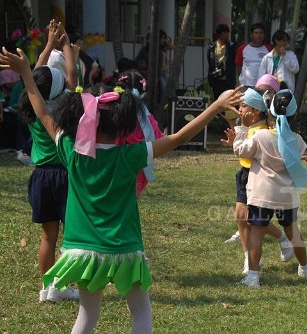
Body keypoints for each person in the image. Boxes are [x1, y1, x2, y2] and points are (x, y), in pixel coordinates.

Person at [1, 46, 242, 332]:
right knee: (140, 313)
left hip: (81, 250)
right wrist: (215, 106)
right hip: (124, 248)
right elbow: (177, 137)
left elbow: (43, 113)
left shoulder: (69, 149)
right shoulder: (132, 154)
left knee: (87, 316)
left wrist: (27, 75)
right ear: (122, 122)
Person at [17, 19, 78, 302]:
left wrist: (49, 45)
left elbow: (33, 78)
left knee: (47, 237)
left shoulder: (32, 104)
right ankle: (65, 286)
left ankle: (47, 288)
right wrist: (65, 46)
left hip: (40, 177)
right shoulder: (62, 106)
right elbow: (72, 78)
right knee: (72, 237)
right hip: (64, 176)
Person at [229, 89, 307, 287]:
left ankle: (253, 277)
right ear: (294, 115)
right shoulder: (298, 141)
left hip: (262, 194)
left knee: (256, 232)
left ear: (270, 112)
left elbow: (241, 150)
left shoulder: (261, 137)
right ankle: (305, 268)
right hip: (287, 196)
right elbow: (296, 154)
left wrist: (241, 131)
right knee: (294, 233)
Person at [220, 85, 294, 275]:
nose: (241, 110)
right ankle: (251, 257)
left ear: (256, 111)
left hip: (257, 179)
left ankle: (278, 241)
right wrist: (235, 140)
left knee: (250, 219)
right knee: (241, 217)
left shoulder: (262, 131)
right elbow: (243, 152)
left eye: (244, 106)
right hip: (244, 174)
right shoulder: (251, 127)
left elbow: (248, 150)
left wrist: (240, 135)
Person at [115, 70, 164, 196]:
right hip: (139, 170)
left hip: (114, 167)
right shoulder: (147, 118)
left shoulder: (112, 115)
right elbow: (158, 138)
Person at [235, 23, 272, 89]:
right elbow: (238, 65)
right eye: (256, 33)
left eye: (261, 33)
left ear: (264, 35)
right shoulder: (242, 48)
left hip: (263, 85)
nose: (259, 35)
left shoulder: (269, 49)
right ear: (251, 35)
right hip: (246, 84)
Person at [207, 24, 237, 100]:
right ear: (219, 34)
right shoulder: (212, 47)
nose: (227, 35)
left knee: (229, 99)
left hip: (228, 78)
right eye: (225, 33)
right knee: (217, 99)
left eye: (228, 33)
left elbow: (234, 61)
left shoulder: (232, 46)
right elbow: (210, 62)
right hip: (216, 78)